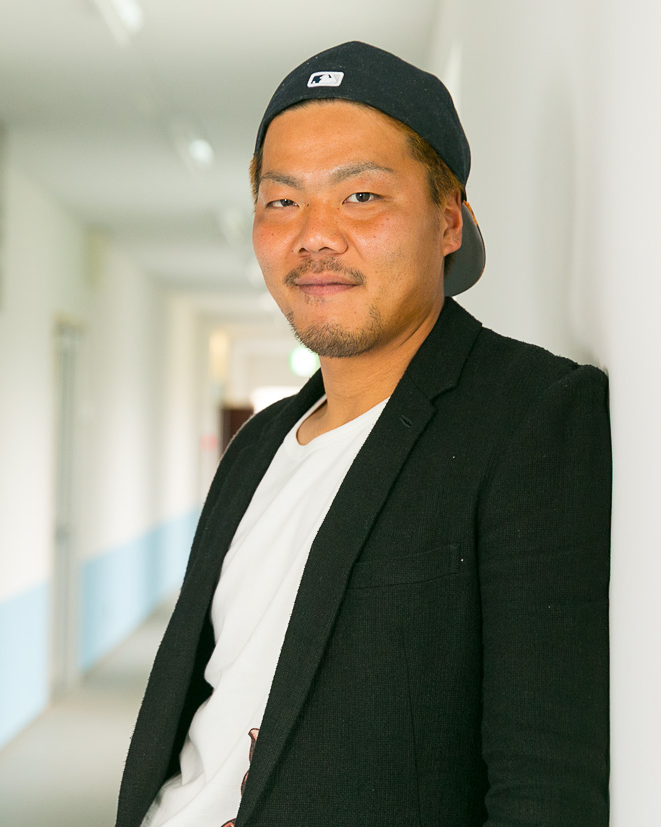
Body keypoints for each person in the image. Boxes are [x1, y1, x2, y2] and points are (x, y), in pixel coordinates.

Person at [116, 41, 610, 827]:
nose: (315, 236)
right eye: (282, 202)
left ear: (448, 219)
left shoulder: (530, 416)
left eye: (361, 196)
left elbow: (546, 788)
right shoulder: (259, 445)